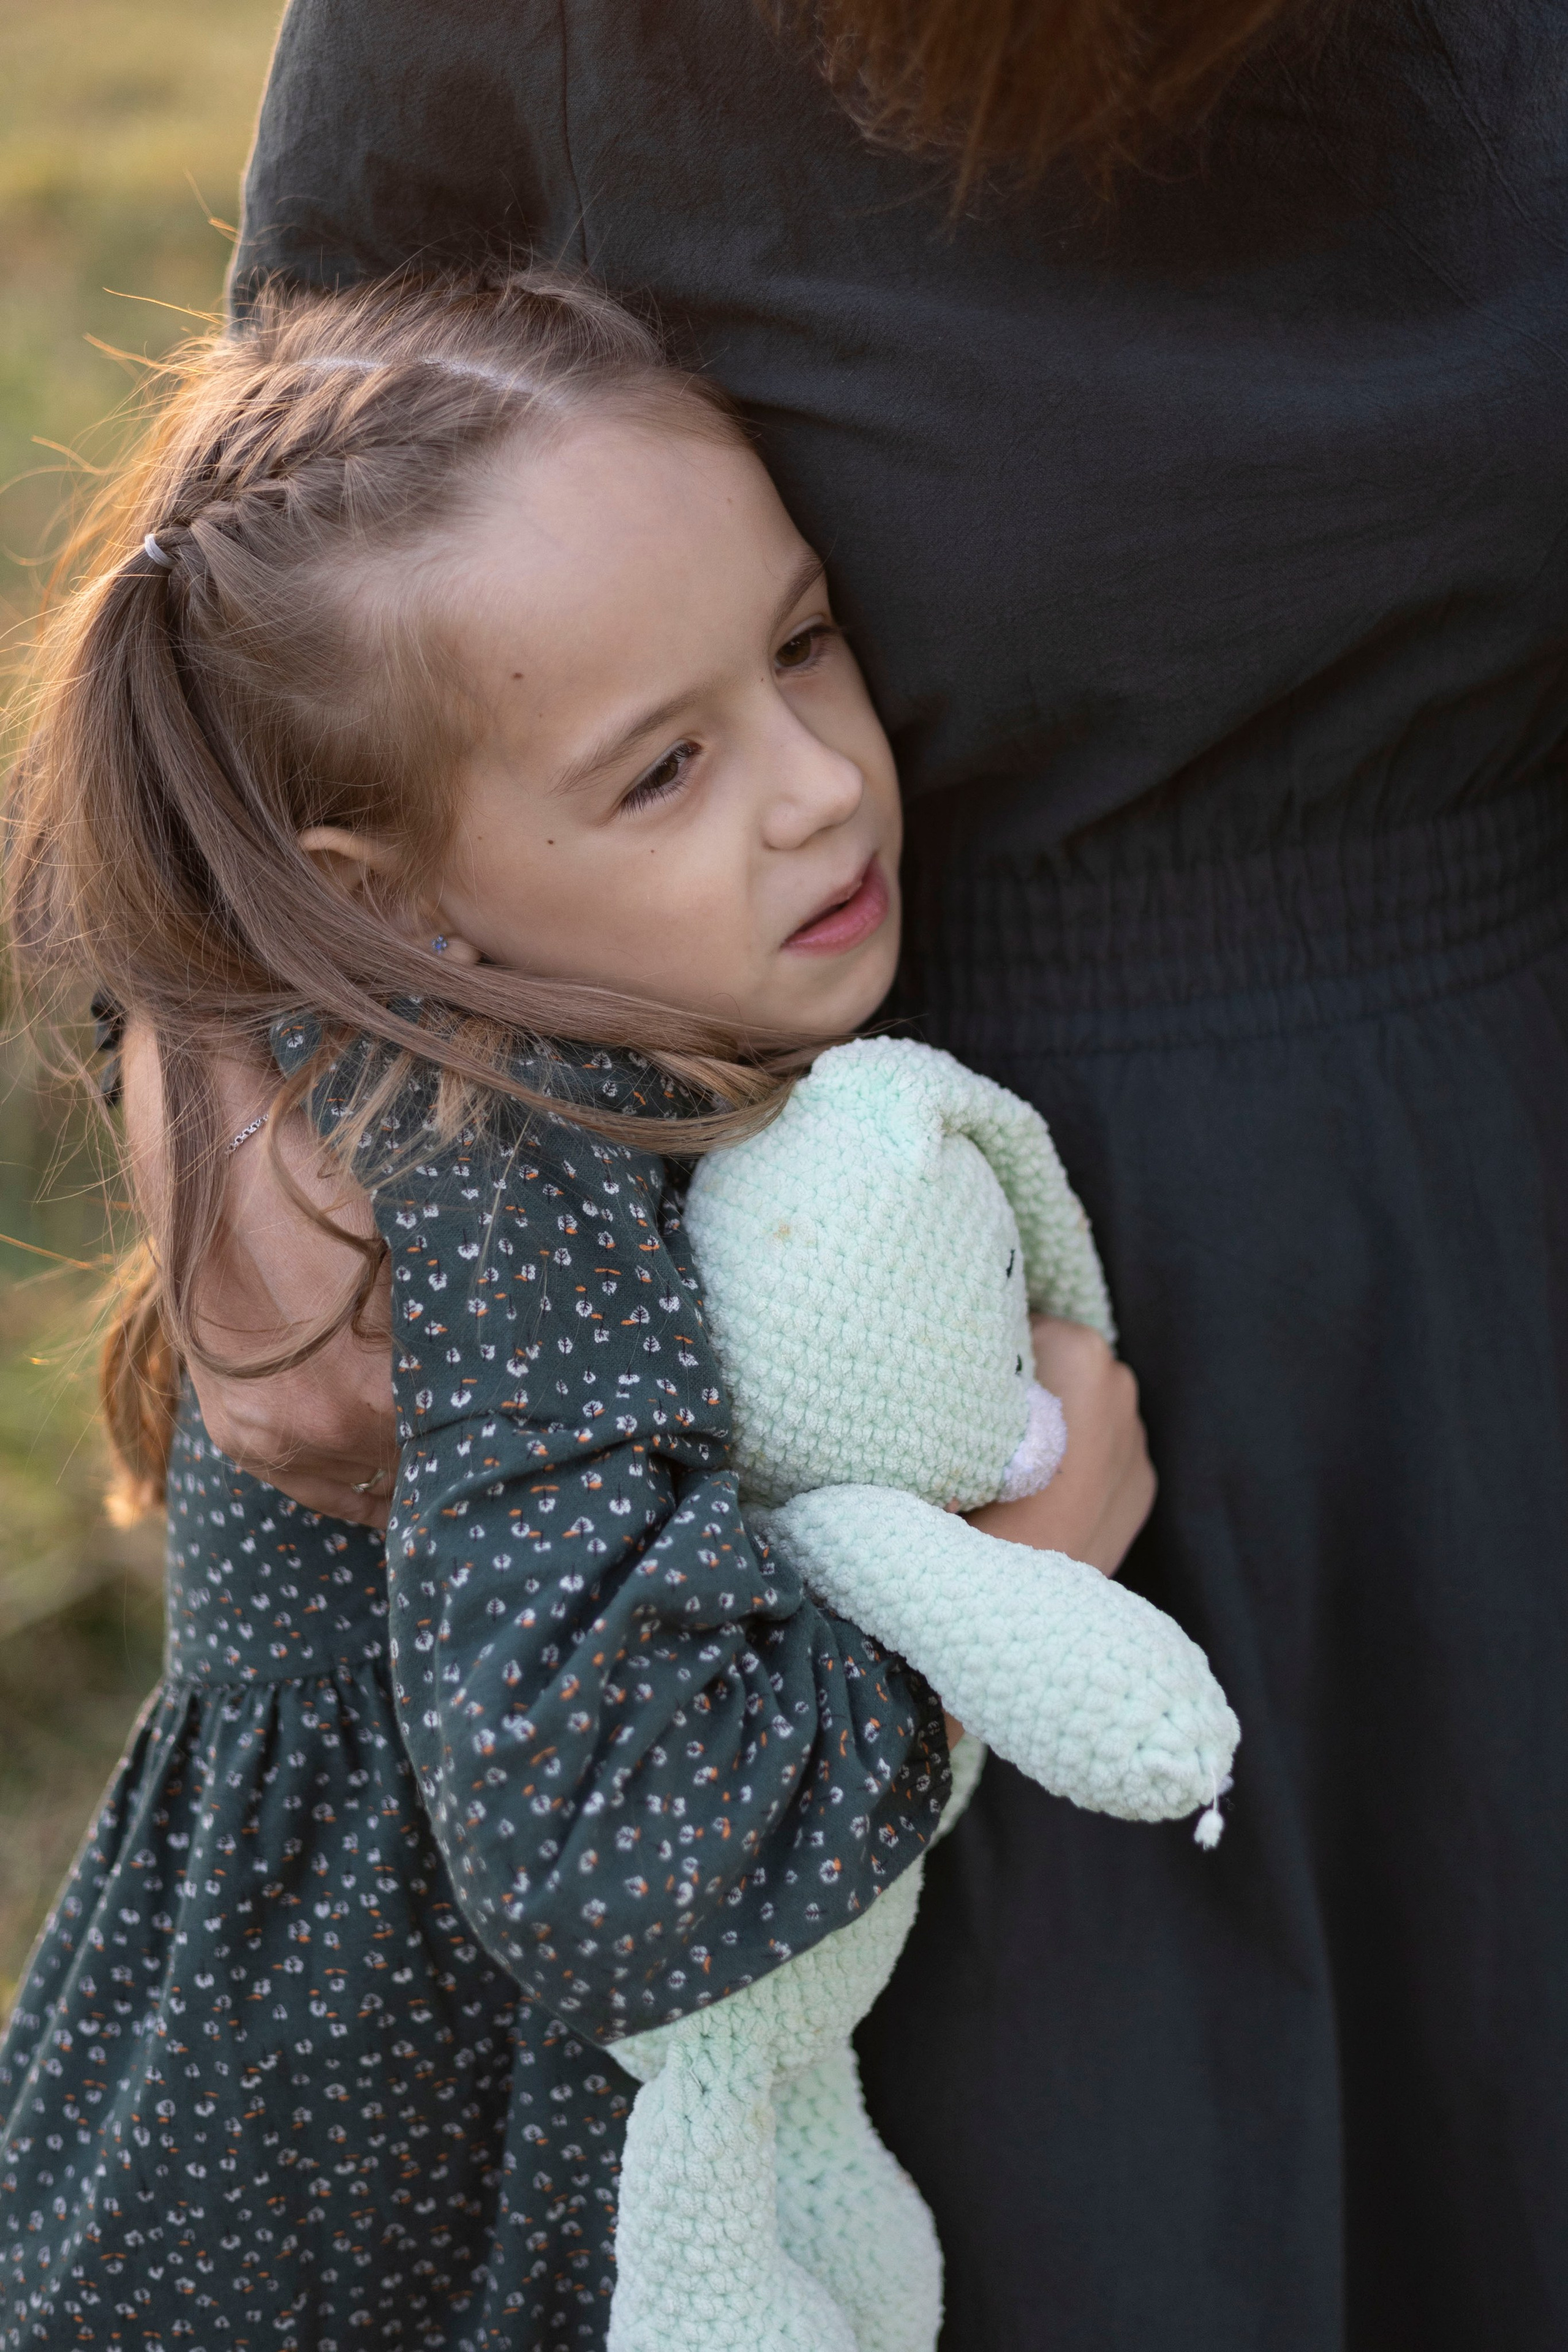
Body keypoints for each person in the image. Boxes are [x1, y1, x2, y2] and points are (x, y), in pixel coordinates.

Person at [181, 4, 1568, 2350]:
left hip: (1479, 1259)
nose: (803, 780)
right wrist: (222, 1058)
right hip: (840, 1341)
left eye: (805, 659)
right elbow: (281, 580)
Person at [0, 266, 1153, 2352]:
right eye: (661, 773)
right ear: (376, 896)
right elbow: (621, 1864)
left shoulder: (487, 1026)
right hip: (365, 2213)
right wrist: (1004, 1613)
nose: (813, 785)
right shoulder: (491, 1151)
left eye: (803, 645)